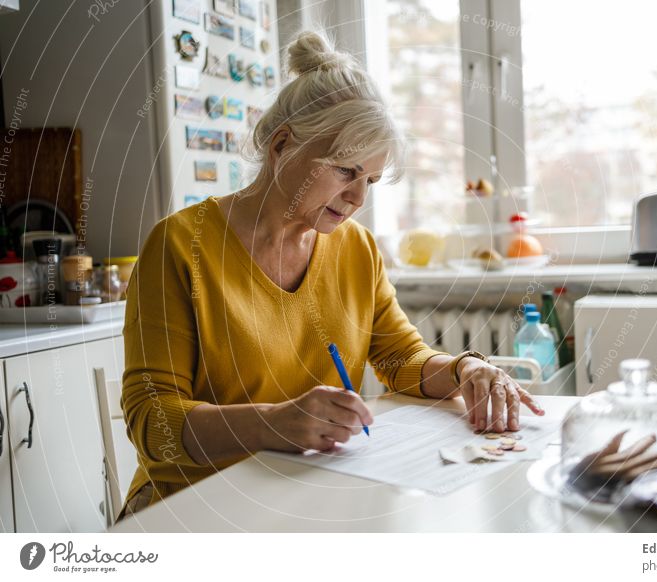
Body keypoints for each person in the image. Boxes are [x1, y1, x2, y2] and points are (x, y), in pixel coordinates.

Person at [118, 31, 544, 521]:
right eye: (346, 171)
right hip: (192, 504)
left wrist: (465, 369)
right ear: (281, 146)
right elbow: (153, 424)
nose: (359, 199)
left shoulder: (357, 248)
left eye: (371, 181)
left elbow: (401, 357)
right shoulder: (178, 246)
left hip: (305, 494)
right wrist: (272, 424)